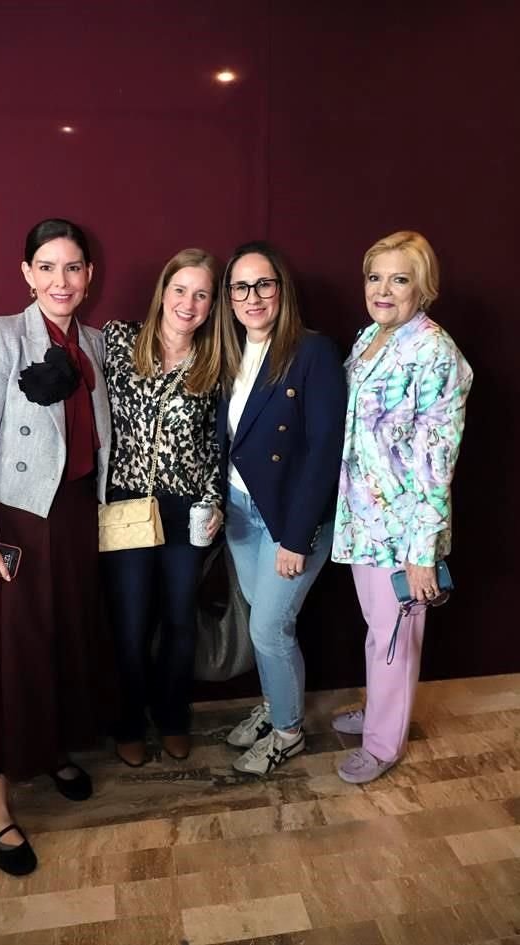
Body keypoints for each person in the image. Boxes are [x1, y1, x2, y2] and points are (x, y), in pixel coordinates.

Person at [0, 218, 111, 875]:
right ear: (26, 272)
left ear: (89, 276)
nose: (60, 281)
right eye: (46, 266)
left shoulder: (97, 342)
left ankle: (48, 748)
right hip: (14, 519)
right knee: (2, 657)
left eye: (73, 267)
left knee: (63, 639)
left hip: (74, 512)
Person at [331, 230, 473, 784]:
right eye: (375, 277)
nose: (383, 289)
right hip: (363, 519)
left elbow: (437, 466)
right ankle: (382, 707)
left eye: (400, 278)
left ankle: (384, 743)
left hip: (403, 530)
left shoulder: (433, 350)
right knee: (379, 629)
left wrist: (421, 554)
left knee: (396, 637)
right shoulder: (372, 335)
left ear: (424, 287)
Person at [217, 240, 347, 775]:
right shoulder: (226, 352)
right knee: (265, 626)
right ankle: (274, 707)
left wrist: (297, 536)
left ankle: (289, 731)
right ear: (229, 297)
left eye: (263, 284)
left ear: (282, 289)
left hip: (288, 518)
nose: (253, 296)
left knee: (270, 627)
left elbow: (324, 449)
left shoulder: (312, 351)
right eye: (241, 287)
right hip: (242, 513)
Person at [102, 248, 224, 767]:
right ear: (163, 291)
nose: (188, 303)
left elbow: (221, 440)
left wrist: (214, 498)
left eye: (201, 294)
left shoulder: (217, 362)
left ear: (211, 305)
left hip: (187, 509)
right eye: (180, 290)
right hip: (127, 505)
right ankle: (129, 720)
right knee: (129, 622)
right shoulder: (117, 340)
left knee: (178, 620)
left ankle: (172, 715)